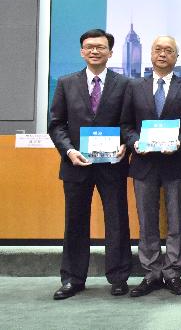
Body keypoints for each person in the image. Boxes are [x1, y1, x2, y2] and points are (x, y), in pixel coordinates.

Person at [48, 28, 132, 300]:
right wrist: (69, 151)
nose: (95, 51)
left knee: (117, 221)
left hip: (112, 164)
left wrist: (126, 145)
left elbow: (129, 124)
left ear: (110, 52)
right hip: (76, 164)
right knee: (74, 222)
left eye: (100, 47)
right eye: (89, 47)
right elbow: (57, 124)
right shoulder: (66, 83)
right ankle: (73, 279)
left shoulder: (125, 84)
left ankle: (119, 277)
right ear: (82, 51)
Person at [121, 36, 181, 297]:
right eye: (158, 49)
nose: (162, 54)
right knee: (147, 221)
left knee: (176, 221)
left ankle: (173, 272)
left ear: (177, 56)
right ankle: (151, 272)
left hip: (176, 162)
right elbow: (126, 126)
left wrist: (180, 142)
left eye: (169, 50)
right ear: (150, 54)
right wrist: (134, 143)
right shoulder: (134, 86)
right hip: (143, 164)